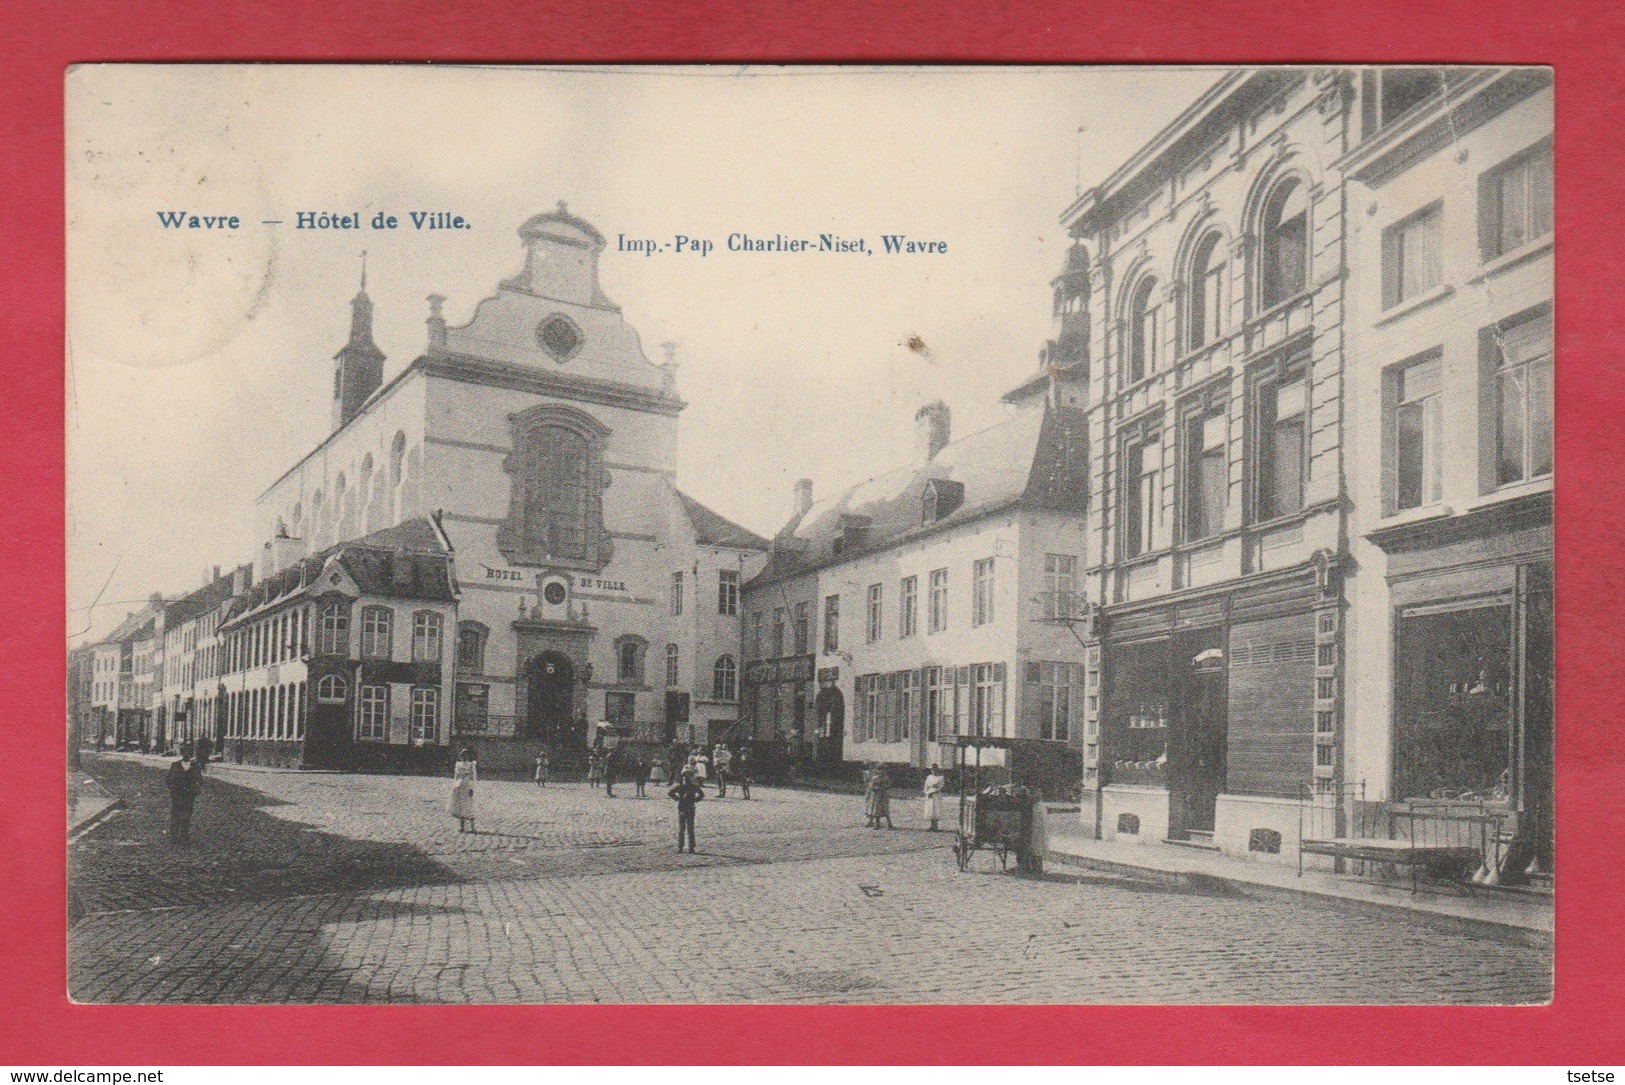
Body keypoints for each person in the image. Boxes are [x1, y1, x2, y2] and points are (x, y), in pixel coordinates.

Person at [165, 750, 202, 847]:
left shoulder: (195, 766)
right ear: (182, 754)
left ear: (191, 754)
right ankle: (174, 836)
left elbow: (200, 780)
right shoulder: (175, 765)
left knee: (186, 816)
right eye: (185, 753)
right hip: (177, 795)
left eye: (189, 753)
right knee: (176, 815)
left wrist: (195, 790)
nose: (187, 755)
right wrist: (173, 790)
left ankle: (184, 836)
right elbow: (168, 779)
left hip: (189, 795)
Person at [668, 768, 705, 853]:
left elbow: (670, 793)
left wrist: (677, 798)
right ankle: (686, 847)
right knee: (686, 828)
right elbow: (701, 795)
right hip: (686, 807)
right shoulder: (689, 786)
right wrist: (696, 799)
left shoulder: (681, 786)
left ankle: (686, 847)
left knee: (686, 828)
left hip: (685, 807)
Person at [449, 748, 478, 833]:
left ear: (469, 756)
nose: (464, 757)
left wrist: (472, 788)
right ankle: (462, 827)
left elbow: (473, 778)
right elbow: (456, 776)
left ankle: (472, 827)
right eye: (462, 755)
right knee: (460, 806)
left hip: (468, 786)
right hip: (459, 787)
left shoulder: (471, 765)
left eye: (466, 755)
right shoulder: (458, 764)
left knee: (469, 805)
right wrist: (454, 787)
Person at [865, 765, 893, 830]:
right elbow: (871, 787)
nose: (881, 773)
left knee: (885, 810)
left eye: (882, 771)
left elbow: (889, 785)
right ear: (877, 771)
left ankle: (890, 824)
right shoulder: (874, 778)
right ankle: (877, 825)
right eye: (879, 771)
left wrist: (884, 786)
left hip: (883, 796)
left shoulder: (886, 778)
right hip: (876, 796)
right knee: (876, 810)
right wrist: (875, 788)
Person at [923, 763, 946, 832]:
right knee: (930, 809)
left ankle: (936, 826)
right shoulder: (929, 777)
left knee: (936, 809)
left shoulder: (940, 778)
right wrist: (927, 792)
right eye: (932, 769)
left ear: (938, 770)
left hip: (936, 795)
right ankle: (932, 826)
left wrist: (934, 791)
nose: (934, 771)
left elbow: (941, 787)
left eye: (935, 769)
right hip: (929, 795)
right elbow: (926, 786)